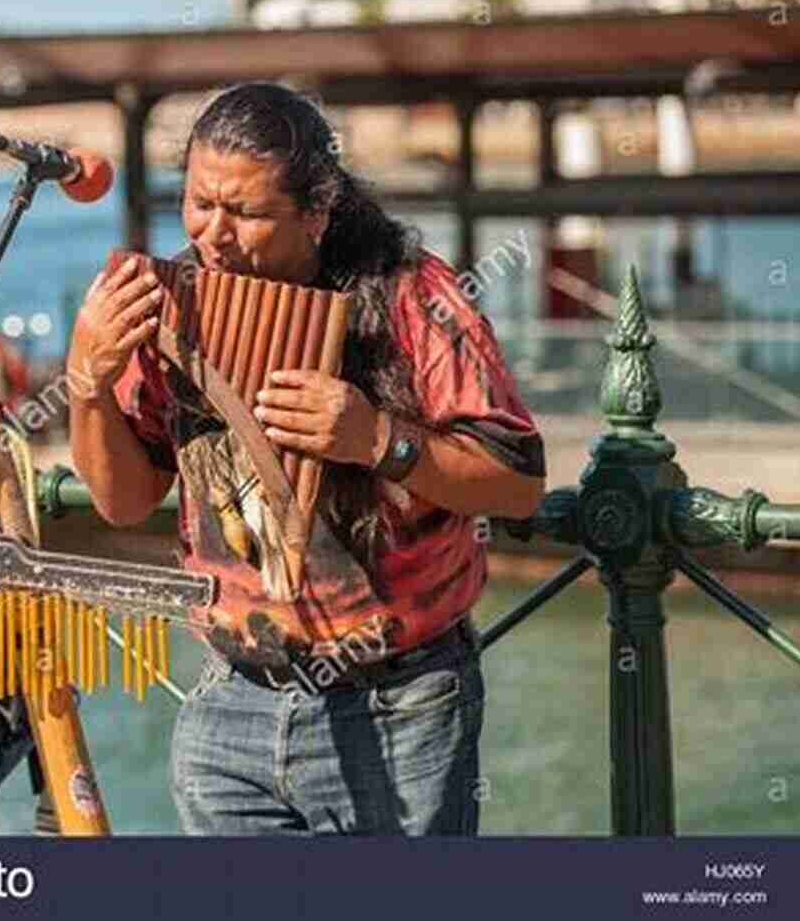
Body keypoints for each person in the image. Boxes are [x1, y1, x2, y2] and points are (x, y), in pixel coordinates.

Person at [66, 82, 546, 835]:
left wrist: (379, 441)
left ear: (317, 213)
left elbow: (518, 486)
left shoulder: (413, 296)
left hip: (399, 707)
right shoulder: (169, 304)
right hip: (229, 703)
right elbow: (123, 503)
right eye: (197, 203)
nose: (213, 237)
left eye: (247, 213)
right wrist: (87, 383)